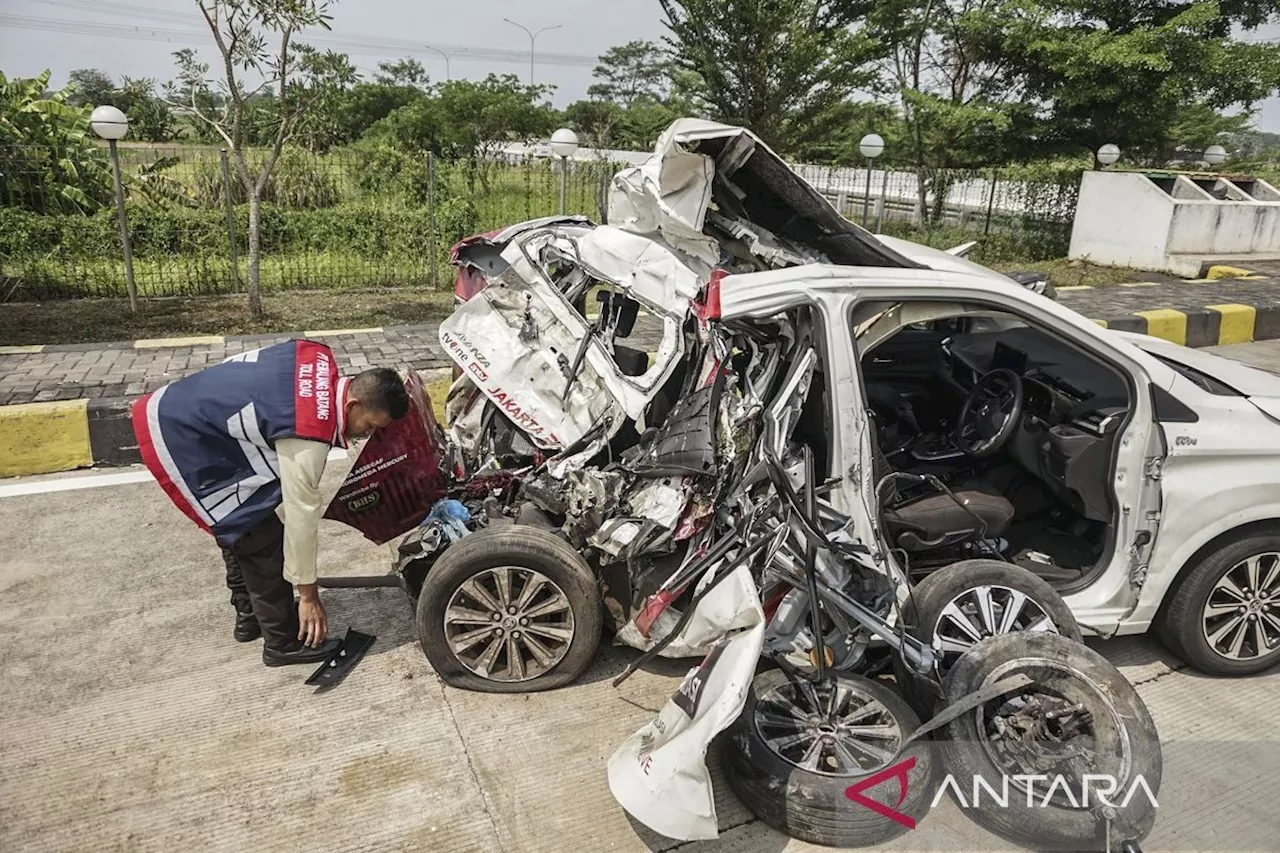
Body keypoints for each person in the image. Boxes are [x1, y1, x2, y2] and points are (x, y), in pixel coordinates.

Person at [131, 340, 409, 666]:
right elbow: (301, 517)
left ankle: (249, 616)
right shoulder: (309, 435)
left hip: (185, 410)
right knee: (260, 535)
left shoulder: (319, 359)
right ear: (352, 405)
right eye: (369, 426)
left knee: (236, 519)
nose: (364, 435)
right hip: (185, 435)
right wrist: (308, 596)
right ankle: (282, 643)